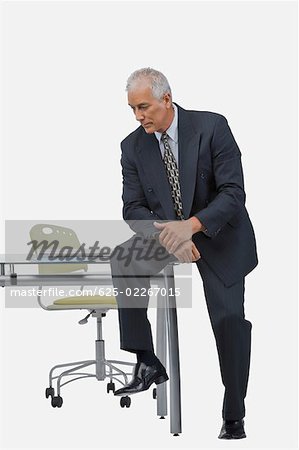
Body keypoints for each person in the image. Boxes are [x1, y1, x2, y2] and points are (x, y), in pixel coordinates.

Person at [110, 68, 258, 439]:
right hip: (167, 234)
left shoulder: (211, 127)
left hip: (217, 232)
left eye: (143, 107)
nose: (138, 116)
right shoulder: (132, 146)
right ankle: (145, 360)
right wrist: (170, 236)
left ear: (165, 99)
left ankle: (234, 411)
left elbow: (233, 194)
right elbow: (133, 208)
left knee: (228, 321)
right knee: (123, 258)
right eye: (132, 109)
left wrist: (190, 227)